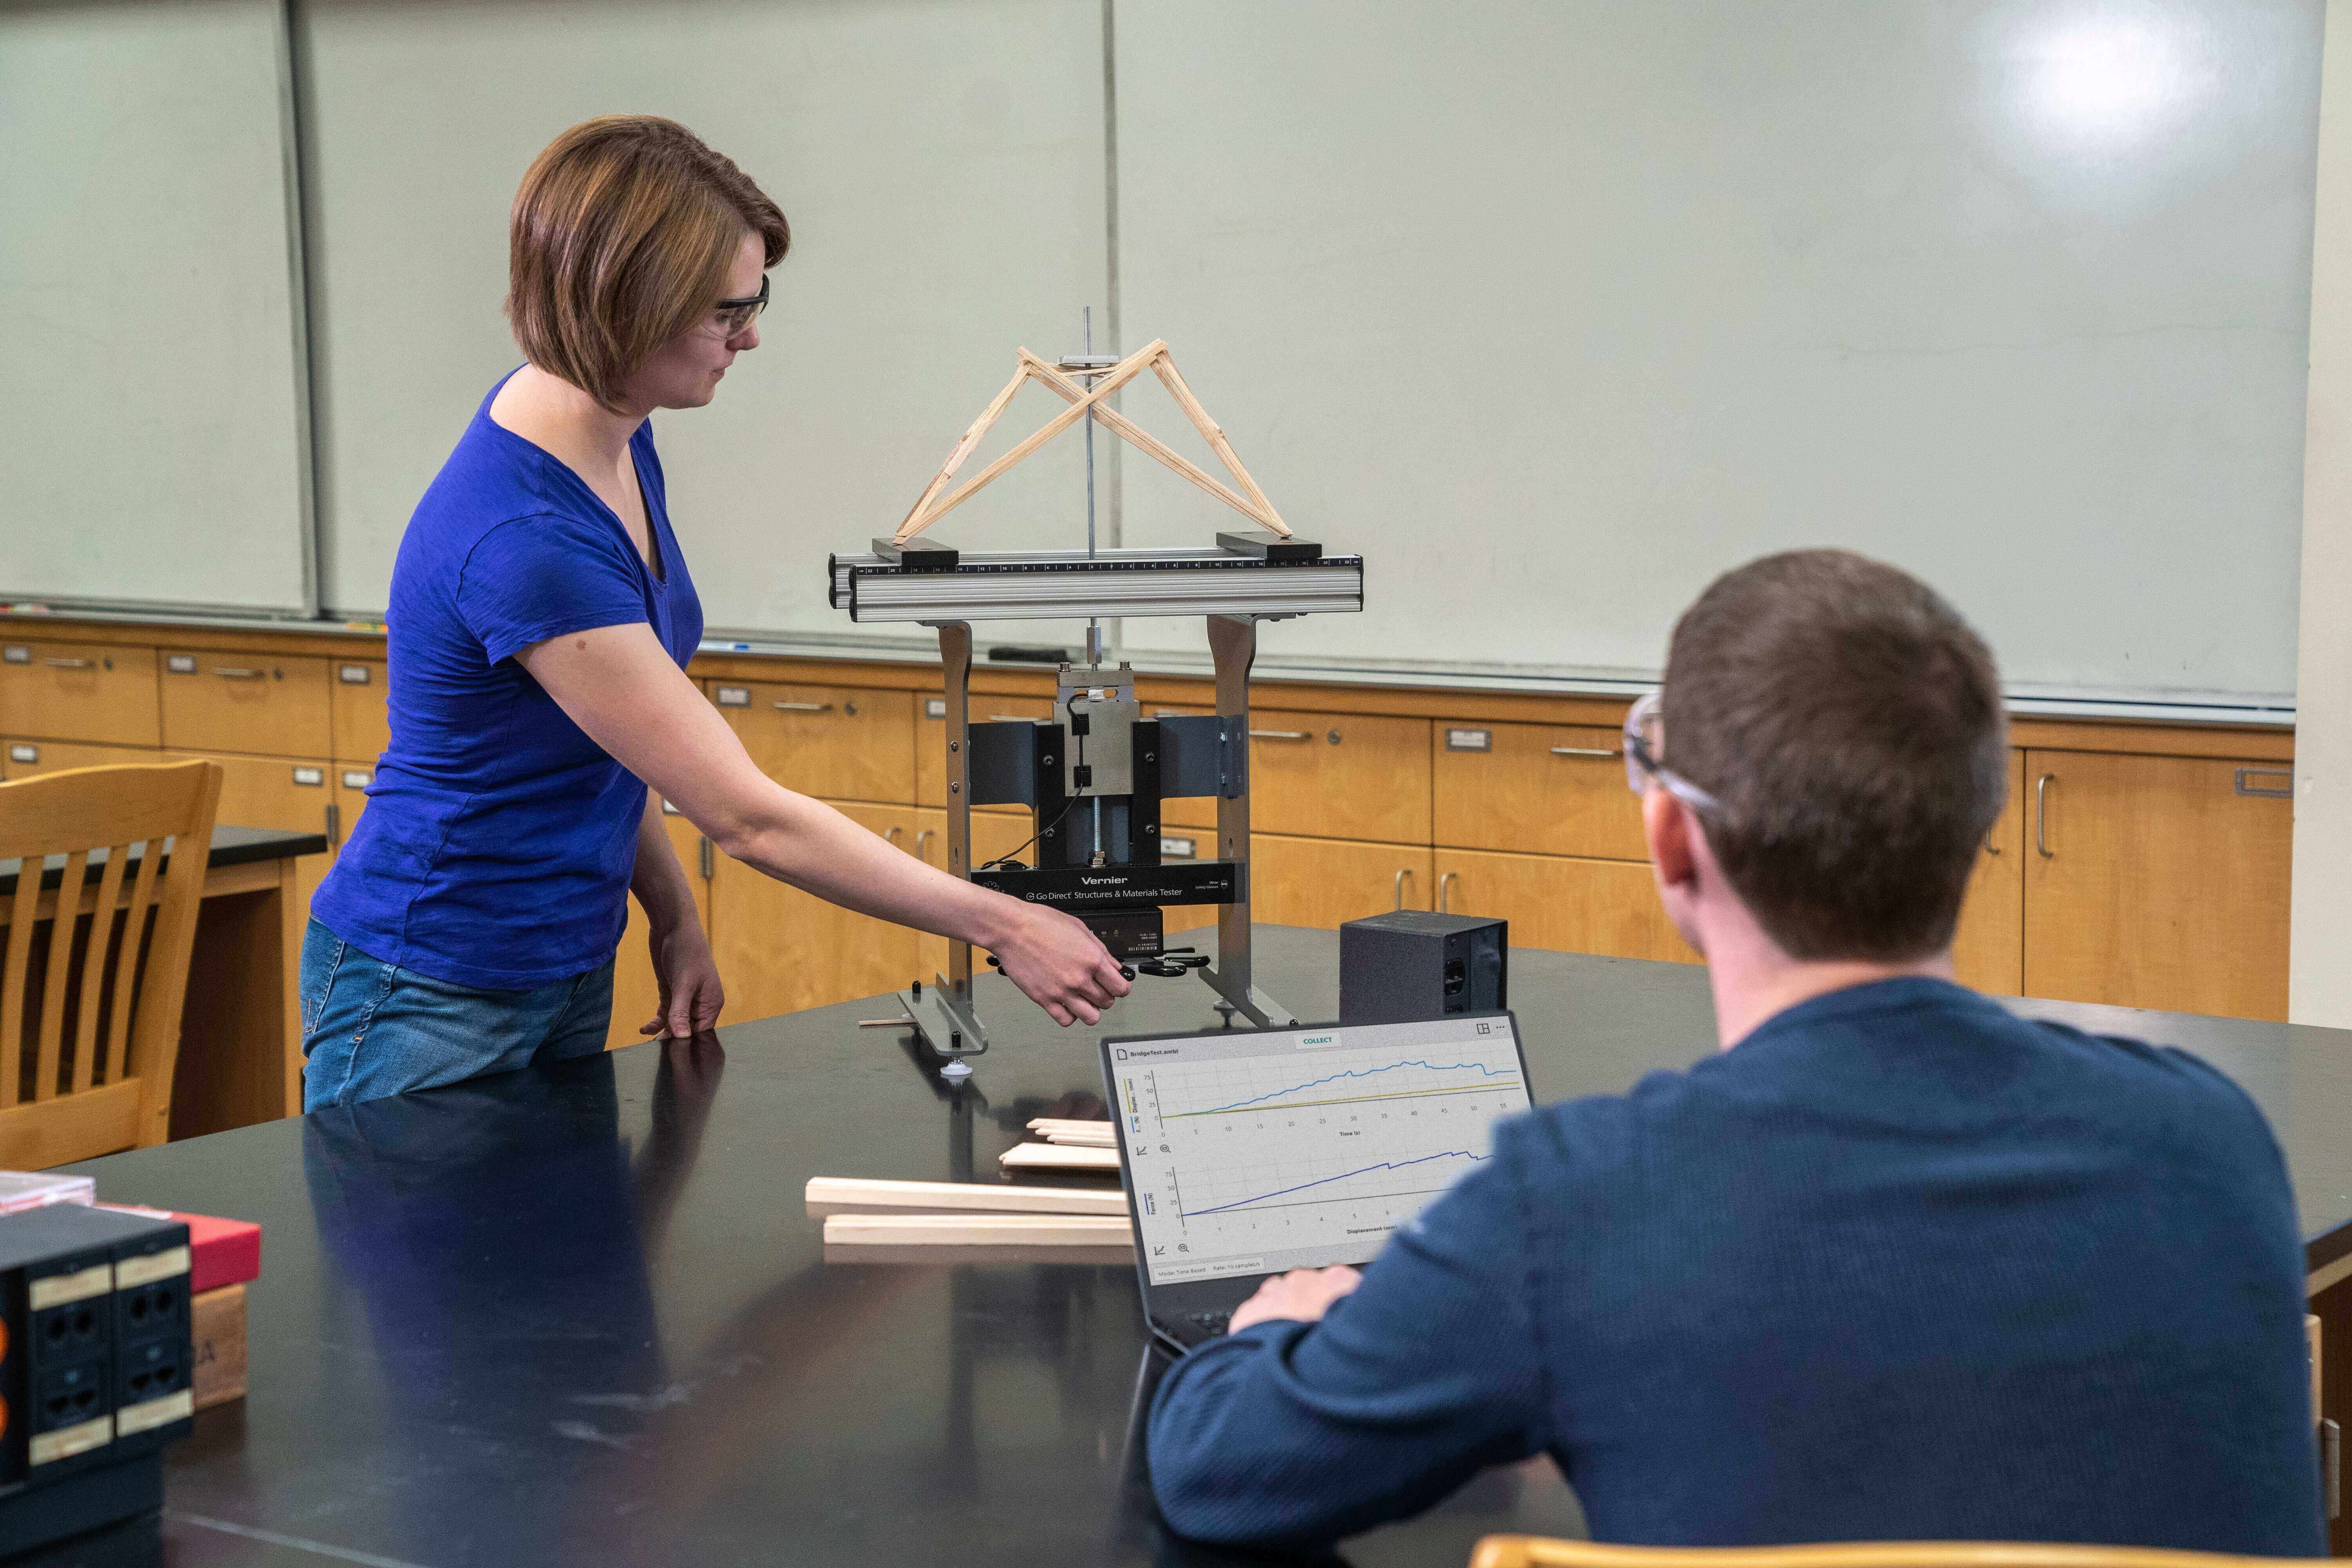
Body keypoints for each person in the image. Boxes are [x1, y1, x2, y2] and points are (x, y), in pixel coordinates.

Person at [1146, 550, 2321, 1550]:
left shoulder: (1575, 1207)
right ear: (1980, 825)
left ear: (1671, 838)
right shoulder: (2210, 1144)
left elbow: (1218, 1474)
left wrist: (1277, 1332)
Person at [303, 117, 1127, 1109]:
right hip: (430, 983)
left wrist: (672, 915)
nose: (751, 336)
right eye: (726, 311)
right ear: (624, 310)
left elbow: (613, 738)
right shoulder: (525, 535)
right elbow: (747, 818)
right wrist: (1006, 923)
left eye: (755, 300)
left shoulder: (609, 434)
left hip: (562, 958)